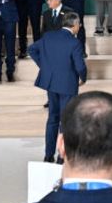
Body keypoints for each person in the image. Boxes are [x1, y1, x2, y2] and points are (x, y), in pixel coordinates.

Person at [29, 11, 87, 163]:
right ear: (74, 25)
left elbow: (32, 49)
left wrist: (45, 66)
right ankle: (62, 157)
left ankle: (48, 155)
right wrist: (83, 78)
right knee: (66, 121)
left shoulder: (49, 36)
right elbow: (80, 66)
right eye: (79, 24)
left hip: (51, 83)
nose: (79, 26)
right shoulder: (74, 42)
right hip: (68, 85)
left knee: (52, 119)